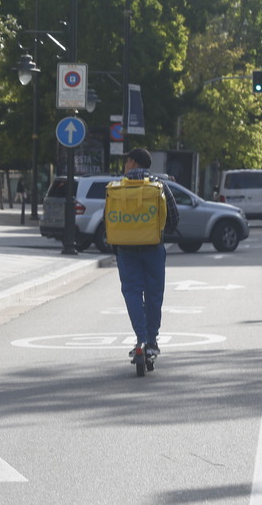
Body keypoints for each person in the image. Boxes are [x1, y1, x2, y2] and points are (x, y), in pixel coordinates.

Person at [114, 148, 180, 363]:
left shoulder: (117, 187)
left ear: (132, 162)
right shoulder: (159, 186)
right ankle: (152, 340)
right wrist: (161, 231)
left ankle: (140, 339)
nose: (125, 165)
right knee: (153, 295)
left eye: (127, 161)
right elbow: (174, 217)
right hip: (153, 248)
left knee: (133, 292)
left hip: (126, 250)